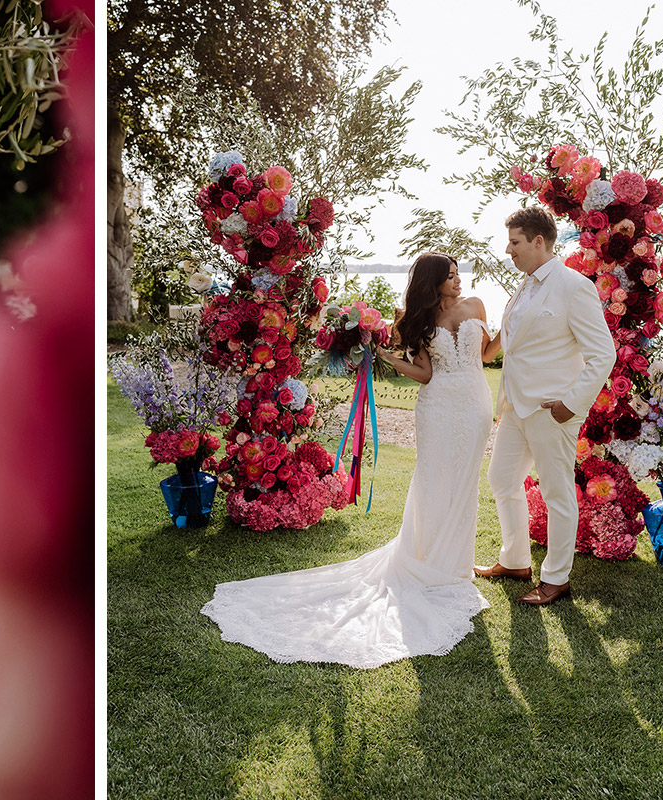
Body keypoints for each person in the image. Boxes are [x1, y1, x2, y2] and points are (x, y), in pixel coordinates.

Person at [201, 252, 495, 668]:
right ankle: (428, 560)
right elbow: (426, 372)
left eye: (458, 275)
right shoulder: (419, 320)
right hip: (439, 406)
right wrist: (386, 358)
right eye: (450, 277)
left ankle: (454, 567)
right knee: (433, 481)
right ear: (433, 283)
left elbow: (484, 354)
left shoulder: (477, 305)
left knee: (465, 485)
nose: (458, 282)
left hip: (475, 405)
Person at [475, 207, 615, 606]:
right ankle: (516, 560)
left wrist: (570, 404)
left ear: (539, 241)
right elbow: (516, 343)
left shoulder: (574, 287)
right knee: (502, 479)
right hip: (516, 407)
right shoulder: (524, 286)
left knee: (556, 494)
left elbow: (603, 354)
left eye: (515, 242)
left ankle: (556, 578)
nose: (509, 250)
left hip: (553, 410)